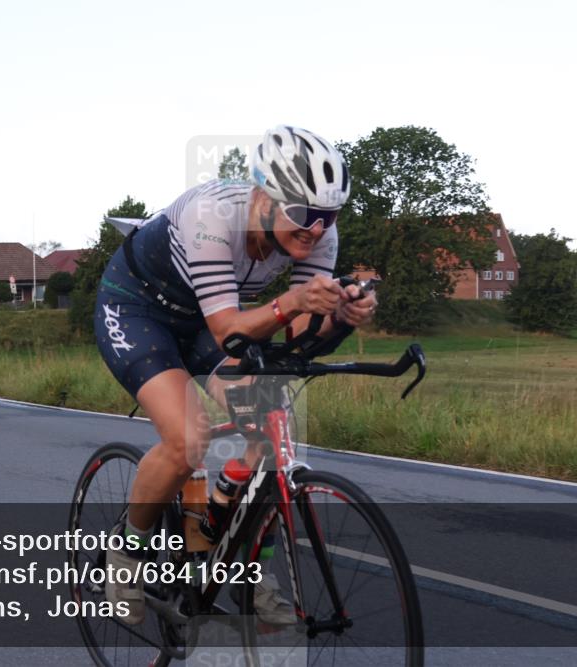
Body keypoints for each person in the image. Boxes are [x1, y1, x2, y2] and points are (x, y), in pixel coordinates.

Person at [93, 125, 376, 625]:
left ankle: (236, 558)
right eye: (302, 214)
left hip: (206, 318)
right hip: (139, 309)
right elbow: (229, 331)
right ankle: (125, 552)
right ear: (264, 198)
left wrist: (339, 316)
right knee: (189, 437)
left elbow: (299, 334)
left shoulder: (318, 235)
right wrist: (290, 302)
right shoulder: (213, 218)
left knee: (270, 427)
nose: (315, 230)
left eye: (327, 217)